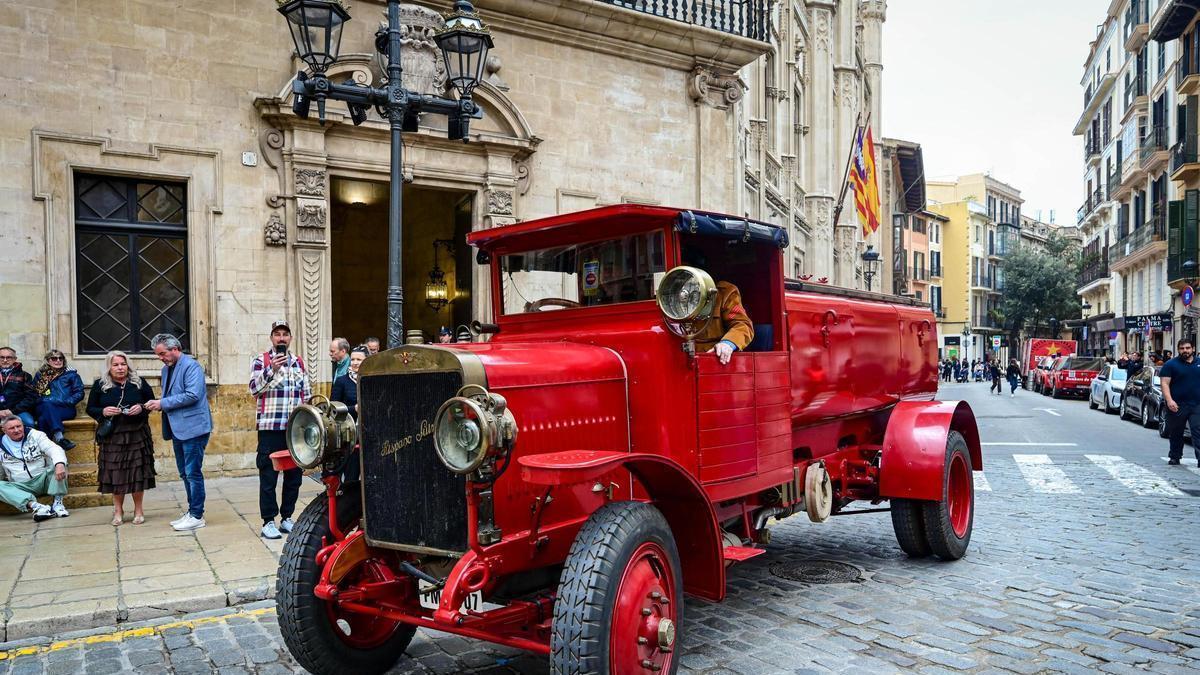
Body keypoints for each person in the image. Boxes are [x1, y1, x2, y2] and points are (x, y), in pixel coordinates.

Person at [249, 321, 312, 539]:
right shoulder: (261, 361)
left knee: (294, 475)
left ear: (291, 338)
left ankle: (287, 517)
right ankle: (268, 521)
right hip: (270, 428)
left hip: (295, 430)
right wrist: (272, 370)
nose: (282, 338)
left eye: (285, 334)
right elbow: (254, 390)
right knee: (268, 476)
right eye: (277, 334)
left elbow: (306, 395)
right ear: (271, 338)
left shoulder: (299, 362)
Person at [144, 334, 211, 532]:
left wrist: (161, 403)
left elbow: (193, 395)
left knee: (192, 472)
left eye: (163, 353)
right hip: (178, 429)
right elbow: (172, 395)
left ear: (175, 348)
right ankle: (192, 512)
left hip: (194, 429)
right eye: (158, 355)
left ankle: (197, 515)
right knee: (184, 473)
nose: (161, 358)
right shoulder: (166, 370)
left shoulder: (192, 366)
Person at [86, 351, 156, 526]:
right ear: (109, 367)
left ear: (128, 365)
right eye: (115, 364)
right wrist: (103, 411)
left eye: (123, 364)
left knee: (137, 473)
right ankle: (118, 511)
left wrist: (141, 407)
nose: (119, 368)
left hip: (136, 434)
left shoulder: (138, 383)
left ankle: (138, 510)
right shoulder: (100, 385)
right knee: (116, 474)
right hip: (113, 436)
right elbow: (90, 408)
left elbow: (151, 403)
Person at [681, 245, 753, 365]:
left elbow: (743, 325)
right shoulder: (670, 299)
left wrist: (727, 344)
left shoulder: (724, 292)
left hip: (711, 361)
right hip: (677, 362)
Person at [0, 416, 68, 521]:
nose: (17, 430)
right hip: (21, 486)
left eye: (19, 426)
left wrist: (59, 464)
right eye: (12, 428)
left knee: (60, 462)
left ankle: (57, 504)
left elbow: (53, 448)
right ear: (4, 430)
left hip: (43, 480)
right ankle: (38, 507)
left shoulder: (36, 435)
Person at [32, 350, 84, 450]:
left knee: (43, 419)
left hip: (65, 408)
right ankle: (60, 439)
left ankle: (44, 451)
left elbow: (79, 393)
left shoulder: (71, 375)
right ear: (48, 360)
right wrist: (44, 401)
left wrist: (67, 402)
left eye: (61, 358)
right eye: (54, 358)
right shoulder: (40, 375)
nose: (58, 361)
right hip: (43, 406)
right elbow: (34, 393)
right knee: (47, 404)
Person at [1161, 338, 1200, 467]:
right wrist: (1169, 400)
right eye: (1182, 348)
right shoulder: (1170, 365)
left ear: (1193, 349)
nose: (1185, 351)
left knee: (1198, 431)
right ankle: (1175, 456)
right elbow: (1165, 384)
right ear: (1178, 350)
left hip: (1197, 405)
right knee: (1176, 432)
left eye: (1188, 348)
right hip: (1177, 405)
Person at [0, 347, 38, 430]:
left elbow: (31, 397)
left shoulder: (24, 376)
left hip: (18, 411)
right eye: (2, 357)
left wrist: (12, 411)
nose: (5, 360)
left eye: (8, 357)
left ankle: (27, 443)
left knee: (29, 423)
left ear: (15, 359)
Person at [331, 346, 367, 419]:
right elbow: (332, 407)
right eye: (352, 359)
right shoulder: (341, 381)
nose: (355, 363)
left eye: (359, 359)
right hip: (348, 426)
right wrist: (354, 408)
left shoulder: (373, 380)